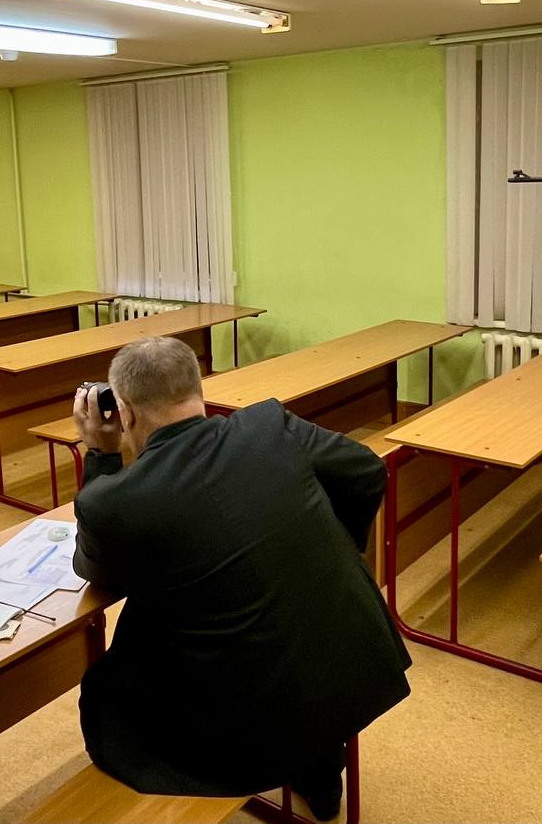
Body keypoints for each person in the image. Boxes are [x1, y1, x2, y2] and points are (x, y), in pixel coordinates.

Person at [69, 336, 412, 818]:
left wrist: (101, 453)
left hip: (242, 718)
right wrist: (327, 545)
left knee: (108, 692)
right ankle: (320, 774)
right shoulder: (270, 427)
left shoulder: (115, 499)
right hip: (348, 663)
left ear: (123, 411)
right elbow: (367, 472)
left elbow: (99, 572)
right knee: (282, 623)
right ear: (198, 389)